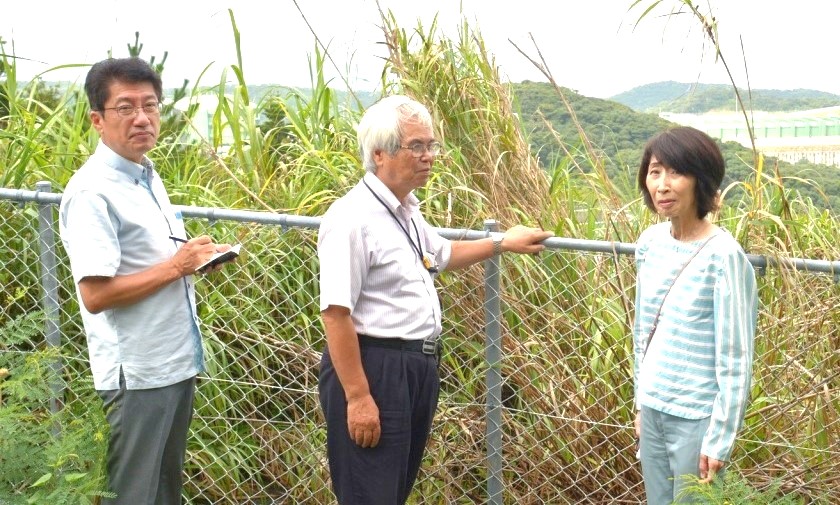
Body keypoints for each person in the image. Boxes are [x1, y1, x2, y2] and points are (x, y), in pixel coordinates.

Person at [317, 94, 553, 505]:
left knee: (392, 489)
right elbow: (336, 315)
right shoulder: (351, 218)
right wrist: (358, 397)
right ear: (380, 154)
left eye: (431, 145)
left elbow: (440, 255)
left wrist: (502, 242)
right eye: (417, 146)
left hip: (414, 367)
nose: (429, 156)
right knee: (369, 492)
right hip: (375, 367)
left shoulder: (405, 210)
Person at [59, 57, 231, 504]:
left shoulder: (145, 176)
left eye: (150, 105)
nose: (142, 118)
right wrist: (176, 266)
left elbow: (147, 263)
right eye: (125, 107)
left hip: (173, 362)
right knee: (135, 494)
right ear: (97, 119)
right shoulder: (91, 192)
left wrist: (193, 260)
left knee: (164, 492)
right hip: (137, 374)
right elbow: (96, 295)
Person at [632, 126, 758, 504]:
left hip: (696, 419)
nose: (663, 185)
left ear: (701, 182)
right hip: (653, 409)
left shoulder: (724, 256)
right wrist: (640, 402)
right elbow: (642, 333)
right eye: (655, 172)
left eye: (676, 172)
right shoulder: (650, 243)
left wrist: (719, 439)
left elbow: (735, 358)